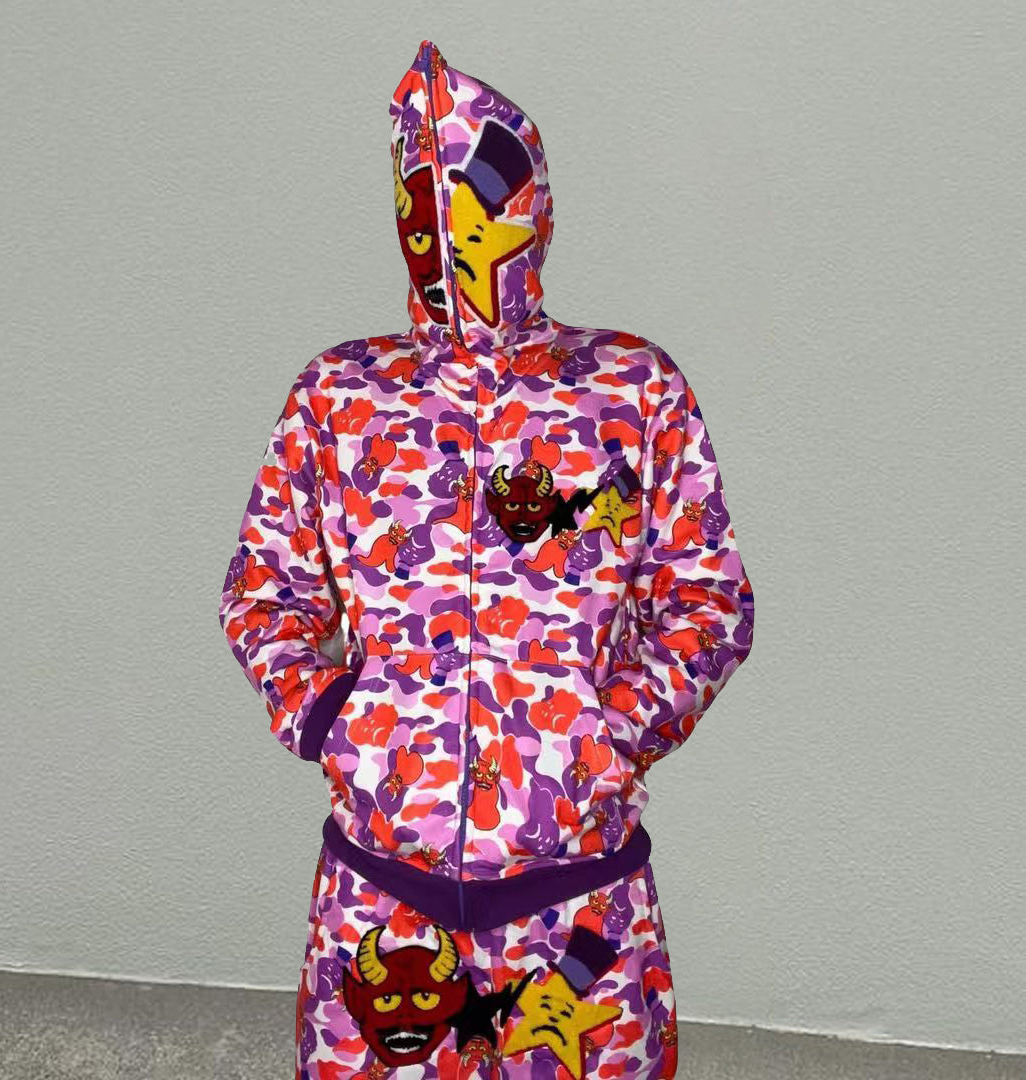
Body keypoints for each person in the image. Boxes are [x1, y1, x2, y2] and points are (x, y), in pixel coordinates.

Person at [218, 38, 755, 1080]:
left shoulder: (629, 390)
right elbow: (263, 590)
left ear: (529, 205)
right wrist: (335, 720)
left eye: (469, 202)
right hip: (384, 910)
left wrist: (610, 732)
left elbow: (708, 599)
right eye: (420, 205)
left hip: (581, 908)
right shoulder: (341, 398)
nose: (443, 234)